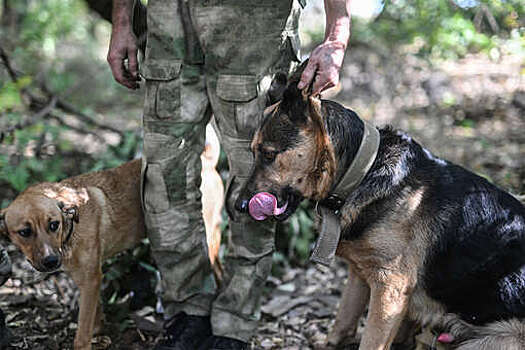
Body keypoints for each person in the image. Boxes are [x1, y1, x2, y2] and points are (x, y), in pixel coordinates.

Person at [107, 0, 351, 349]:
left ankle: (234, 325)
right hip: (168, 30)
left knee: (259, 189)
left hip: (254, 33)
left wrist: (335, 35)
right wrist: (122, 23)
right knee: (163, 182)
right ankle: (186, 312)